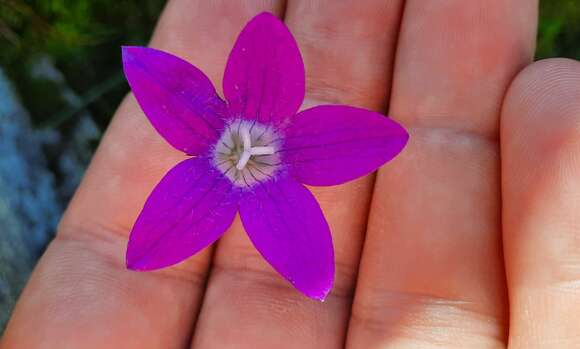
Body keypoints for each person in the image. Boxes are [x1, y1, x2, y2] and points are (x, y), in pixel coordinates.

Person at [1, 1, 579, 348]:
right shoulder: (206, 146)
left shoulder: (279, 152)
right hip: (234, 166)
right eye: (242, 148)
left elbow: (374, 137)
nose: (247, 150)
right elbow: (161, 77)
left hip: (255, 164)